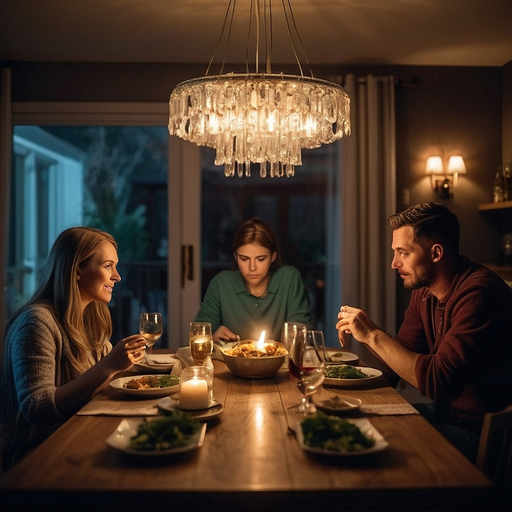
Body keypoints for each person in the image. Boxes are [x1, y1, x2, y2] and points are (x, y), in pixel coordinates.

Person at [336, 202, 512, 461]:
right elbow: (401, 360)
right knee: (355, 425)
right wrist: (339, 388)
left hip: (487, 433)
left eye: (403, 253)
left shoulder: (478, 294)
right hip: (449, 413)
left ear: (436, 253)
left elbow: (436, 382)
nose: (394, 263)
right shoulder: (425, 292)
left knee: (379, 446)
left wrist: (372, 334)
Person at [0, 227, 147, 470]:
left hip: (78, 435)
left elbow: (104, 382)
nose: (117, 277)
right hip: (36, 456)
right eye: (108, 266)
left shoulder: (90, 319)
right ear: (77, 270)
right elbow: (37, 407)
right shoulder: (36, 322)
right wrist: (110, 365)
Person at [195, 217, 313, 344]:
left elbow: (302, 335)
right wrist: (211, 336)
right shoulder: (221, 284)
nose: (252, 268)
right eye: (244, 259)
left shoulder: (289, 279)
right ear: (235, 257)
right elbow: (197, 335)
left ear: (273, 257)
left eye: (260, 259)